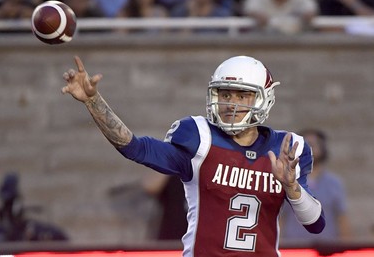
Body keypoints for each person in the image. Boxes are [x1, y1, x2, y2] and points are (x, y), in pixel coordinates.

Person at [62, 55, 325, 256]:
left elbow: (315, 225)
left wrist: (292, 188)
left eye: (242, 95)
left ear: (263, 99)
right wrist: (93, 102)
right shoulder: (201, 138)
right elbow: (136, 148)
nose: (231, 103)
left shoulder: (286, 149)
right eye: (225, 94)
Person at [281, 129, 351, 241]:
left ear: (323, 149)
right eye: (305, 144)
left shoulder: (334, 183)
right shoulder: (286, 181)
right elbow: (280, 218)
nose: (309, 148)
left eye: (313, 144)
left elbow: (341, 218)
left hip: (327, 249)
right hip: (294, 249)